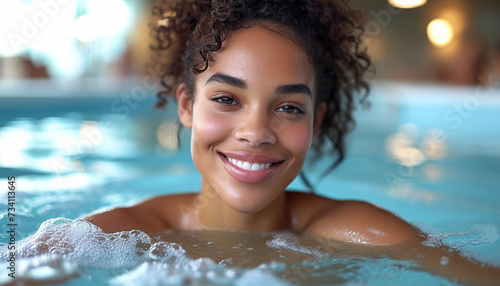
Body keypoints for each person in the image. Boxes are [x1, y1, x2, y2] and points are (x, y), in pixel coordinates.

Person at [83, 0, 499, 284]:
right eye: (227, 99)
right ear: (187, 105)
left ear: (315, 120)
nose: (256, 132)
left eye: (289, 108)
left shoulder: (352, 231)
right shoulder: (122, 235)